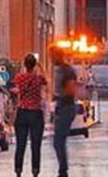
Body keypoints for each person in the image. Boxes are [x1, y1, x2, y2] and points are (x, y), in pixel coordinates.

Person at [13, 53, 48, 177]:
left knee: (20, 144)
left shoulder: (20, 77)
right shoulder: (38, 79)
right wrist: (41, 66)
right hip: (36, 113)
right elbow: (46, 81)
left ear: (25, 65)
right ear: (34, 65)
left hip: (22, 112)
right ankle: (35, 171)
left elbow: (16, 87)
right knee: (36, 144)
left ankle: (18, 170)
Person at [51, 45, 78, 177]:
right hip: (62, 107)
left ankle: (63, 171)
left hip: (67, 107)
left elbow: (70, 90)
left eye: (52, 56)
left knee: (58, 140)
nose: (50, 59)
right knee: (58, 140)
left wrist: (57, 96)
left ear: (57, 56)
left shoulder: (67, 71)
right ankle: (63, 170)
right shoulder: (60, 70)